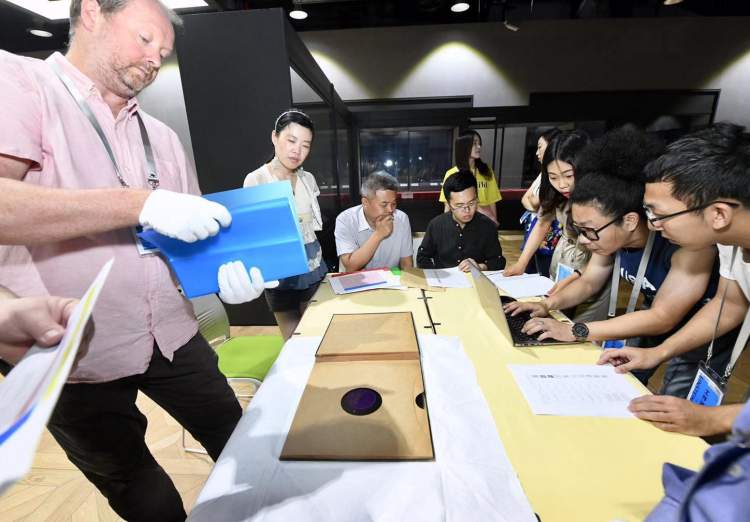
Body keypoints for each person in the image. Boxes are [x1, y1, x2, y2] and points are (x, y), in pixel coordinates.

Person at [0, 1, 269, 519]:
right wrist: (137, 204)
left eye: (163, 53)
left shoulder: (163, 138)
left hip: (172, 337)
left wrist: (224, 278)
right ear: (92, 13)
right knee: (141, 492)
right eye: (145, 40)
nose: (154, 60)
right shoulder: (21, 83)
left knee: (239, 442)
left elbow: (193, 242)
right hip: (71, 352)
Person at [588, 123, 750, 520]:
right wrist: (656, 353)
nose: (654, 225)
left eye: (658, 214)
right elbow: (728, 304)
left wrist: (711, 418)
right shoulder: (730, 241)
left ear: (718, 213)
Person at [505, 126, 736, 397]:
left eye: (590, 231)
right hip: (653, 312)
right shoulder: (610, 235)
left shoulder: (688, 243)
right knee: (621, 375)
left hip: (704, 328)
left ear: (629, 221)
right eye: (579, 230)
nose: (583, 240)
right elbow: (590, 281)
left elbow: (663, 316)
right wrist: (546, 304)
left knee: (674, 396)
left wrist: (576, 330)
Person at [504, 131, 610, 323]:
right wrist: (521, 263)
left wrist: (575, 277)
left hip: (593, 267)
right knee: (555, 316)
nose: (562, 184)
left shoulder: (603, 197)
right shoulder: (555, 193)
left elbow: (604, 257)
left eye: (568, 175)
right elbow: (542, 223)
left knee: (580, 327)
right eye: (553, 177)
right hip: (564, 258)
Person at [243, 110, 327, 340]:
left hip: (311, 265)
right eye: (291, 140)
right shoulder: (257, 179)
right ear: (274, 137)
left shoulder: (308, 179)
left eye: (305, 145)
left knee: (315, 335)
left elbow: (311, 226)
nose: (297, 150)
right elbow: (251, 232)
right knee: (292, 341)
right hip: (279, 268)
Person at [417, 170, 506, 271]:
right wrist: (437, 274)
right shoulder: (436, 225)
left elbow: (498, 261)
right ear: (449, 204)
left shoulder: (487, 226)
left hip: (476, 280)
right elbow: (422, 257)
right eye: (459, 205)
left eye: (471, 203)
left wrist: (480, 267)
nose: (467, 210)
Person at [335, 172, 414, 272]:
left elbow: (406, 264)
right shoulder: (345, 220)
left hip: (391, 279)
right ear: (365, 202)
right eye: (384, 204)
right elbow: (350, 266)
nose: (390, 210)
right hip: (358, 279)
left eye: (393, 204)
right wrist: (378, 234)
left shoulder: (401, 219)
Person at [520, 128, 562, 277]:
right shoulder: (542, 174)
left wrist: (537, 203)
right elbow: (526, 199)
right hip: (536, 232)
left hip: (552, 241)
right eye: (554, 178)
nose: (537, 153)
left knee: (546, 274)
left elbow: (540, 201)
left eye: (540, 147)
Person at [439, 130, 501, 225]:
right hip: (461, 224)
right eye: (475, 143)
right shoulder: (451, 173)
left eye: (479, 144)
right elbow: (448, 206)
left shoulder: (486, 171)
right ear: (464, 146)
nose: (479, 147)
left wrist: (493, 223)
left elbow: (492, 202)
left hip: (483, 222)